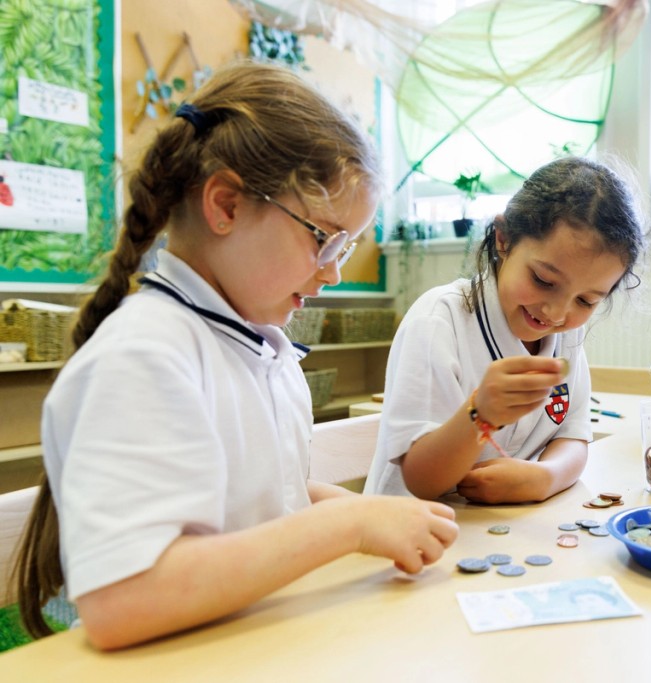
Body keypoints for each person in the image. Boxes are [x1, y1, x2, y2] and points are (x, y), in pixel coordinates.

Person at [13, 62, 458, 651]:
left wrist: (368, 512)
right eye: (325, 238)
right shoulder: (144, 355)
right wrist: (346, 524)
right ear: (225, 205)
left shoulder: (261, 348)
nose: (335, 273)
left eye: (347, 246)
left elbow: (270, 496)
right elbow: (124, 601)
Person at [365, 156, 648, 504]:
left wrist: (545, 477)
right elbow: (422, 480)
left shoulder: (567, 335)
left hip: (497, 534)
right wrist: (480, 415)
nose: (557, 312)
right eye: (543, 280)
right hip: (408, 536)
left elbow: (573, 437)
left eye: (587, 301)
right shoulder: (439, 321)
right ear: (503, 239)